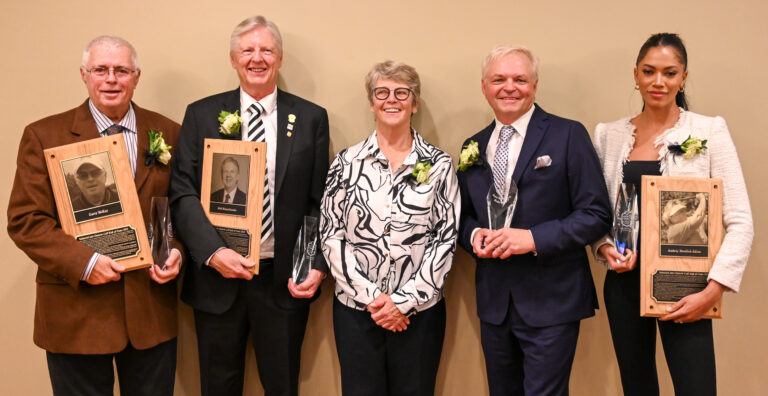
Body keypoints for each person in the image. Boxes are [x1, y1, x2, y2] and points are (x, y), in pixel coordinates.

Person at [7, 35, 183, 396]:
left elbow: (181, 208)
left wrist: (175, 249)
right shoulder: (44, 136)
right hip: (76, 313)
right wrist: (85, 262)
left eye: (121, 70)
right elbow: (27, 220)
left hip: (150, 312)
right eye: (101, 70)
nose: (111, 79)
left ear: (137, 76)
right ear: (84, 75)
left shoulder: (167, 132)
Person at [168, 15, 330, 396]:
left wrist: (315, 264)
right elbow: (182, 191)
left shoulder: (310, 118)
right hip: (217, 280)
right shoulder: (201, 114)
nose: (257, 58)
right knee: (218, 387)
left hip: (283, 280)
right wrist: (213, 252)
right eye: (248, 50)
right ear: (233, 59)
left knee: (283, 386)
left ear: (280, 57)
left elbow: (319, 201)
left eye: (266, 50)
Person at [592, 33, 754, 396]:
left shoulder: (709, 130)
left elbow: (740, 220)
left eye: (669, 72)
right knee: (636, 386)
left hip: (687, 286)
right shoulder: (608, 135)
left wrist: (713, 290)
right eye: (649, 71)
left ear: (683, 77)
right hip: (624, 283)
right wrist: (605, 248)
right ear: (636, 75)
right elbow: (596, 213)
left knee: (696, 387)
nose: (658, 82)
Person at [456, 45, 612, 396]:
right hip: (495, 303)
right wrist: (474, 234)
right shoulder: (473, 146)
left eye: (519, 79)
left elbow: (596, 214)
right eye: (499, 79)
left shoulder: (568, 135)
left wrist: (533, 239)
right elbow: (460, 216)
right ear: (484, 87)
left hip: (552, 300)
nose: (509, 87)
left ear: (535, 85)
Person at [320, 60, 460, 396]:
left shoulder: (438, 165)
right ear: (371, 103)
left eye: (402, 93)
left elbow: (446, 237)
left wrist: (404, 301)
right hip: (356, 310)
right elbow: (331, 235)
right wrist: (374, 300)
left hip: (420, 313)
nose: (391, 100)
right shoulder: (346, 163)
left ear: (415, 103)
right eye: (381, 92)